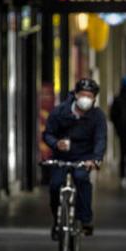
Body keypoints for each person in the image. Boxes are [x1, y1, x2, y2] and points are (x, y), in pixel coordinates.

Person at [43, 78, 107, 239]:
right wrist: (56, 143)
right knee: (55, 185)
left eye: (89, 96)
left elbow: (100, 139)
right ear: (76, 95)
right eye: (82, 94)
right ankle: (58, 220)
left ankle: (85, 219)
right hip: (61, 157)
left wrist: (95, 159)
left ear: (94, 99)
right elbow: (47, 134)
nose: (85, 99)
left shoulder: (97, 116)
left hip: (83, 158)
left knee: (82, 180)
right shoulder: (60, 112)